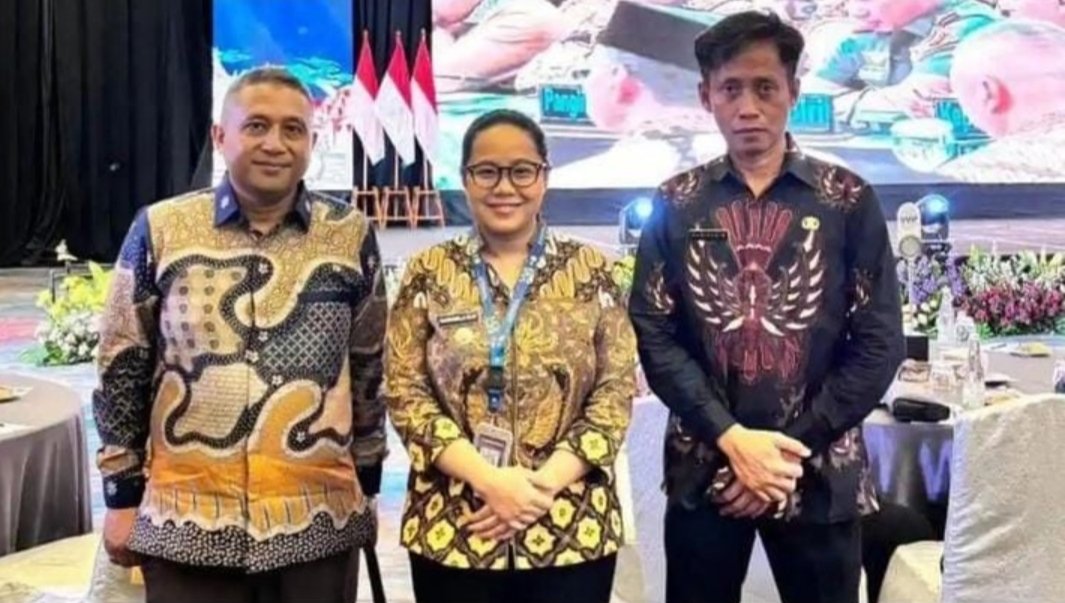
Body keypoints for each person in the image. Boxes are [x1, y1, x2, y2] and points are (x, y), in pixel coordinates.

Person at [628, 11, 904, 603]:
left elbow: (880, 342)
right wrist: (734, 441)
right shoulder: (677, 203)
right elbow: (655, 333)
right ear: (706, 96)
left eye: (765, 88)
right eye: (731, 89)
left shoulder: (847, 200)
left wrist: (782, 454)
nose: (748, 107)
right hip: (708, 469)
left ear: (793, 92)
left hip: (818, 470)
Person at [94, 66, 388, 602]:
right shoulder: (161, 228)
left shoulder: (350, 235)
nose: (275, 143)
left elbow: (369, 365)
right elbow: (122, 363)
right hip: (186, 528)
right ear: (220, 135)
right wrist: (120, 494)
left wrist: (369, 483)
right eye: (256, 126)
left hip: (318, 526)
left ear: (312, 141)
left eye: (293, 129)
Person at [384, 108, 636, 603]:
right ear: (465, 179)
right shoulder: (427, 272)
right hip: (455, 524)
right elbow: (405, 392)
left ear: (544, 176)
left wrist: (539, 488)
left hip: (570, 523)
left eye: (522, 171)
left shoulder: (594, 271)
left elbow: (615, 390)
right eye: (487, 171)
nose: (505, 187)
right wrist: (490, 481)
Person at [803, 0, 1000, 123]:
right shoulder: (873, 26)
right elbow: (805, 95)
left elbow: (916, 105)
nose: (856, 11)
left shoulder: (966, 22)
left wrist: (825, 107)